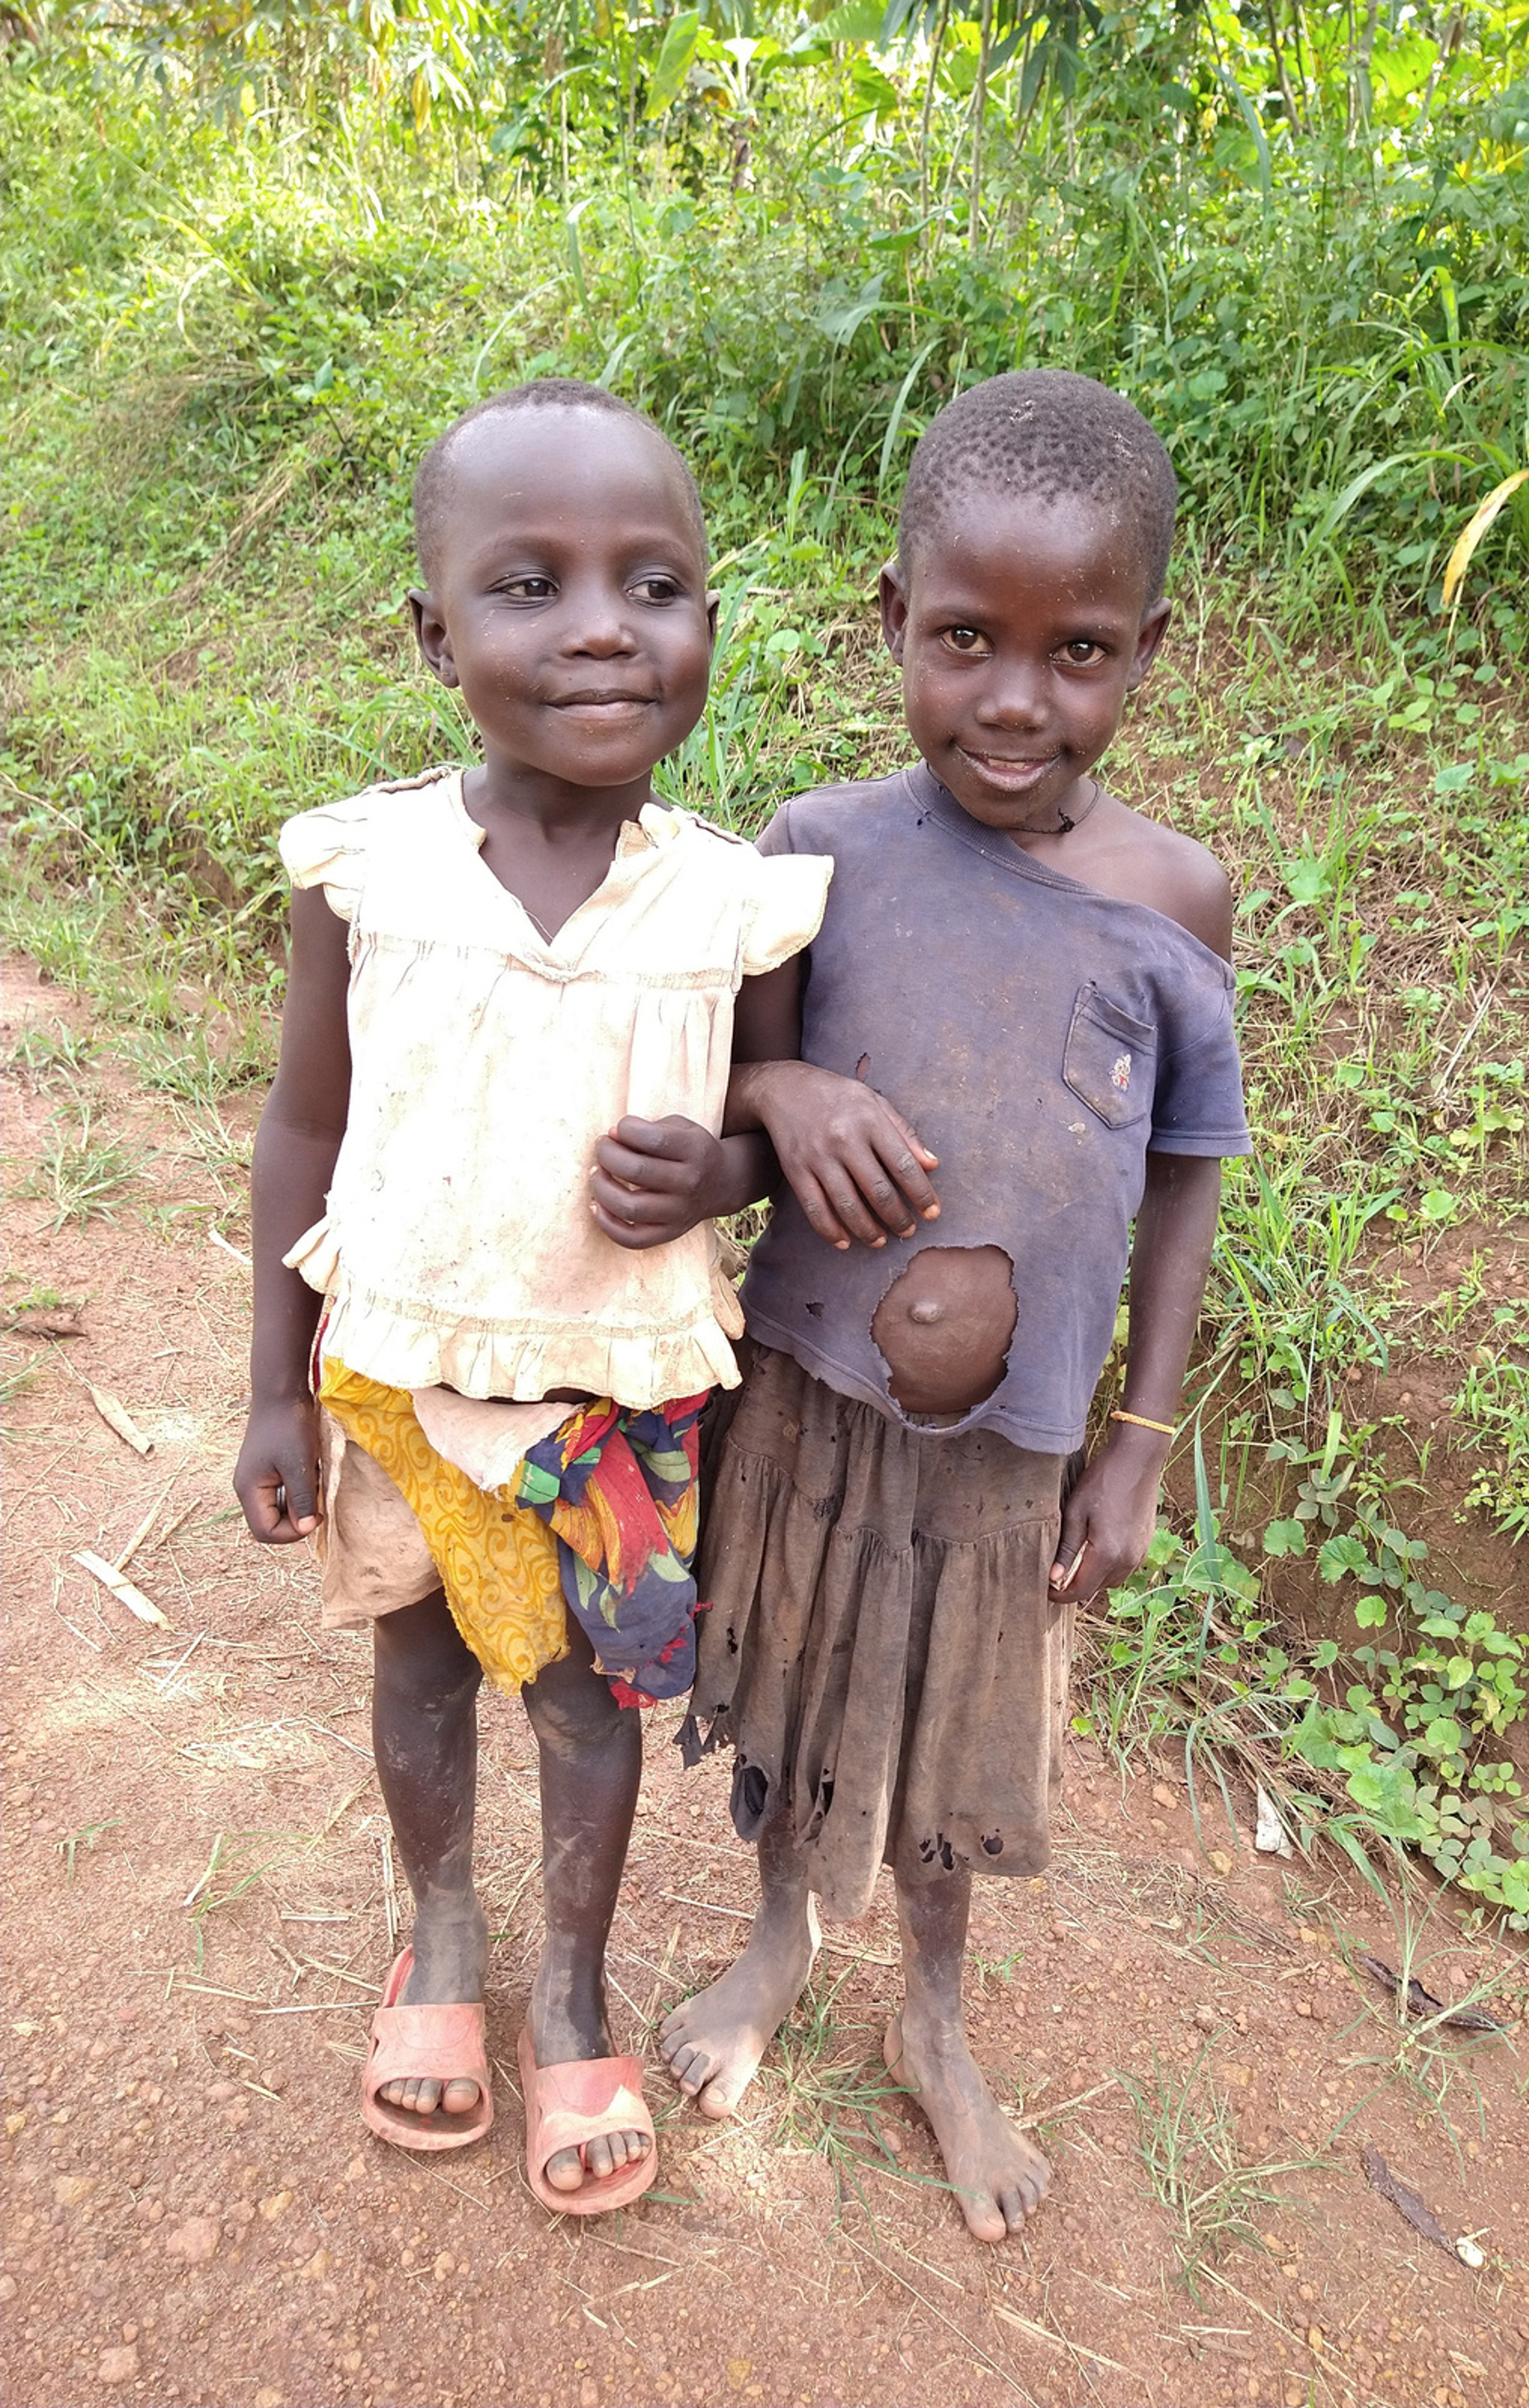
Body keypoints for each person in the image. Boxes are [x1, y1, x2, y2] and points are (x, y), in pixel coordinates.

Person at [231, 378, 840, 2213]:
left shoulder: (737, 904)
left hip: (617, 1396)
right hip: (403, 1367)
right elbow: (300, 1124)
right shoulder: (367, 872)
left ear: (709, 631)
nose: (598, 625)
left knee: (586, 1699)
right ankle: (442, 1932)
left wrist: (722, 1170)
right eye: (527, 586)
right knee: (416, 1659)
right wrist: (270, 1385)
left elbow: (766, 1133)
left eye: (652, 585)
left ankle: (568, 1980)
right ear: (433, 636)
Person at [659, 370, 1255, 2242]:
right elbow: (741, 1089)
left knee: (957, 1739)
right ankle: (775, 1947)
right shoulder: (811, 848)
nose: (1014, 700)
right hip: (810, 1399)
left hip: (1015, 1452)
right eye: (961, 640)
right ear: (887, 624)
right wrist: (784, 1095)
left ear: (1150, 649)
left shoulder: (1174, 900)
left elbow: (1182, 1180)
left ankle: (931, 2017)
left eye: (1076, 652)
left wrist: (1138, 1445)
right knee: (795, 1686)